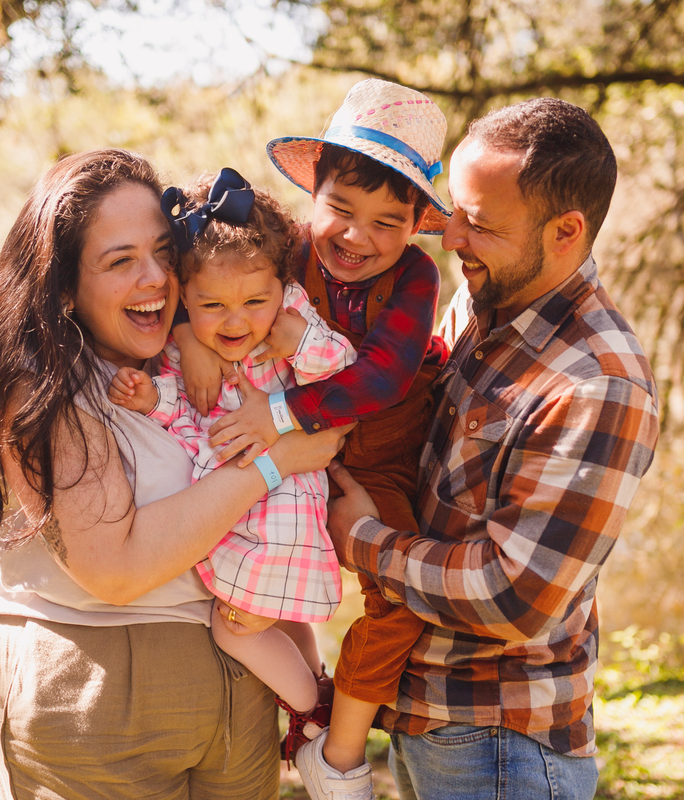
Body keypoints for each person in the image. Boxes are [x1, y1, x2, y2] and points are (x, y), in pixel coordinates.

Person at [0, 149, 347, 800]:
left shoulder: (192, 348)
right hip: (97, 701)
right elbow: (117, 567)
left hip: (237, 695)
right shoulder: (39, 390)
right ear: (62, 284)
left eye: (164, 253)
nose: (156, 280)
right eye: (120, 262)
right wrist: (278, 460)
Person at [325, 97, 662, 800]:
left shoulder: (597, 382)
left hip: (503, 745)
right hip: (433, 723)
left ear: (566, 231)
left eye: (478, 224)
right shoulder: (476, 309)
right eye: (453, 213)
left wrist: (363, 540)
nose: (451, 239)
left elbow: (516, 596)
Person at [176, 78, 453, 800]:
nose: (358, 237)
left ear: (418, 220)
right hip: (295, 466)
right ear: (313, 197)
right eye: (341, 210)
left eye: (389, 222)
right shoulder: (287, 253)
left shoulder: (418, 277)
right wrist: (189, 338)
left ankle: (339, 746)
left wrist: (286, 413)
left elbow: (386, 378)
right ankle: (304, 704)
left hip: (378, 456)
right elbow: (214, 287)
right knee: (252, 581)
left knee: (397, 599)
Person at [107, 168, 355, 723]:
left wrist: (299, 337)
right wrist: (154, 398)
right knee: (285, 621)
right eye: (212, 307)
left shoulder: (289, 325)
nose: (237, 320)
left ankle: (315, 711)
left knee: (234, 626)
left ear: (282, 292)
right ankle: (314, 695)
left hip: (278, 512)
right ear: (185, 299)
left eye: (253, 302)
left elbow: (344, 371)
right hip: (253, 507)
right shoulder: (190, 348)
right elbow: (191, 418)